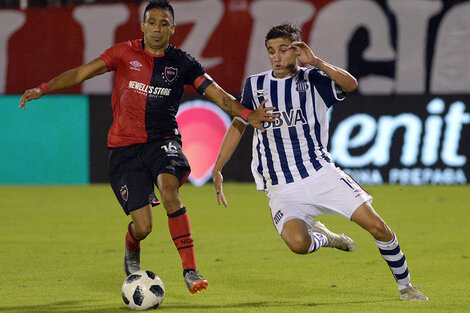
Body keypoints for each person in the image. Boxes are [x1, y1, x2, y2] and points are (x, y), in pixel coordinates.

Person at [19, 0, 276, 295]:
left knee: (170, 193)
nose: (157, 28)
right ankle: (132, 246)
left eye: (164, 23)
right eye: (152, 22)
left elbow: (218, 95)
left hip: (163, 142)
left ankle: (190, 270)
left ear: (173, 29)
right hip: (125, 150)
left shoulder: (182, 63)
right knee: (143, 226)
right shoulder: (123, 53)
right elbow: (81, 73)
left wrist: (247, 115)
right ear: (142, 25)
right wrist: (43, 88)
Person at [212, 24, 428, 301]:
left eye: (283, 50)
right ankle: (326, 237)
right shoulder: (256, 85)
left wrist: (316, 61)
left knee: (378, 227)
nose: (276, 57)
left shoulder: (314, 78)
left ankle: (406, 286)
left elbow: (351, 84)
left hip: (320, 174)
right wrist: (218, 168)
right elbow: (238, 125)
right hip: (281, 185)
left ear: (297, 49)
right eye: (270, 52)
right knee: (298, 244)